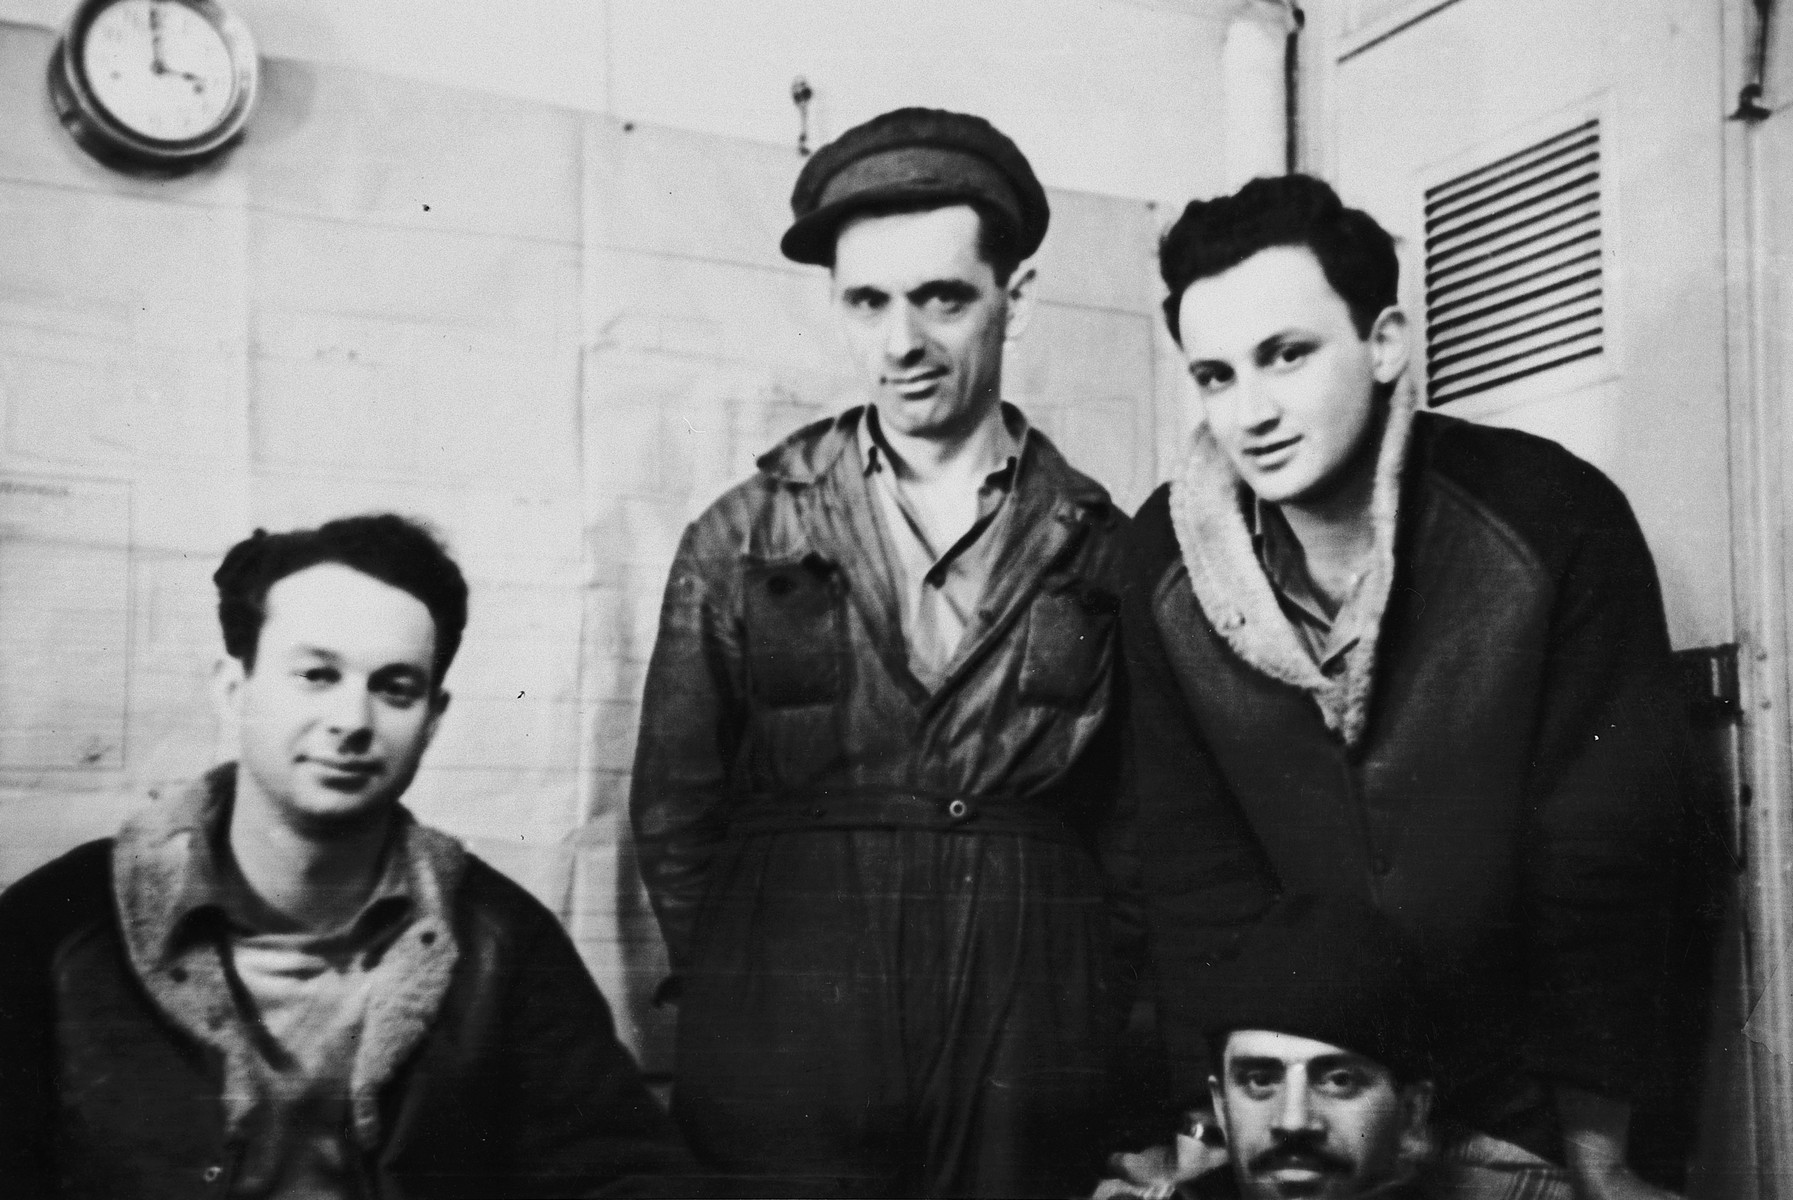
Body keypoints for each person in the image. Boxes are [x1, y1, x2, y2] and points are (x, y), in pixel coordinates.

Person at [1118, 175, 1692, 1200]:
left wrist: (1606, 1153)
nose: (1249, 412)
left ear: (1383, 343)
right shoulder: (1158, 560)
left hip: (1525, 1116)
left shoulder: (1549, 517)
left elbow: (1609, 862)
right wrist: (1211, 1122)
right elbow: (1188, 871)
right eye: (1213, 375)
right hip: (1310, 1123)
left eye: (1286, 355)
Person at [630, 107, 1134, 1197]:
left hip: (1026, 1023)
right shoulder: (742, 533)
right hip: (791, 1021)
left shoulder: (1103, 546)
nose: (900, 343)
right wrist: (744, 986)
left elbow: (1138, 827)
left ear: (1016, 297)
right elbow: (673, 811)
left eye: (941, 297)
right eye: (868, 302)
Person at [0, 514, 696, 1199]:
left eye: (394, 688)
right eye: (316, 675)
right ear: (233, 689)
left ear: (432, 718)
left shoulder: (504, 943)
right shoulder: (56, 926)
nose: (352, 723)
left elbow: (619, 1174)